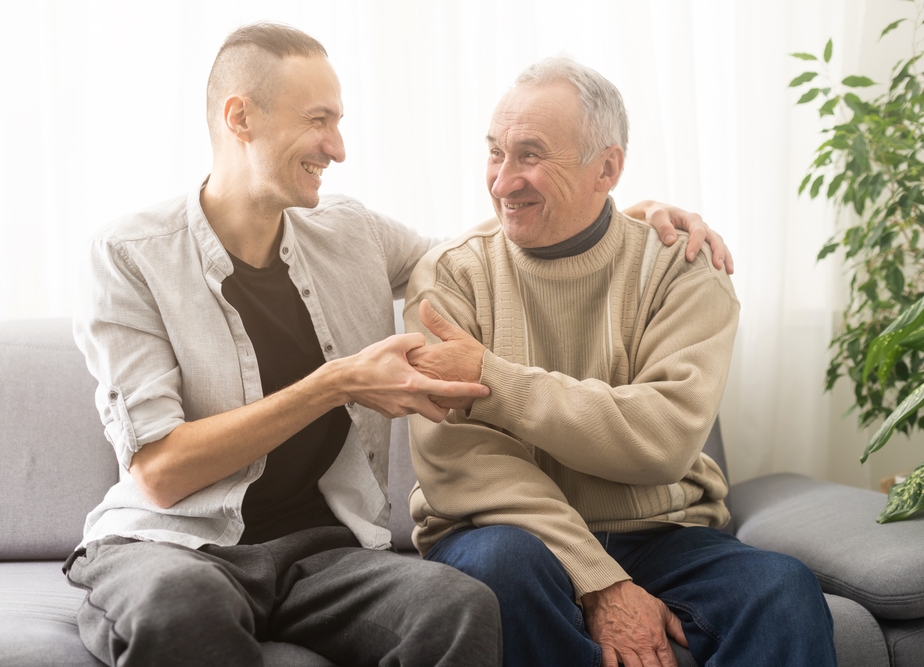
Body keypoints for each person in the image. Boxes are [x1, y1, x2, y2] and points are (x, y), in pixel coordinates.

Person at [67, 22, 731, 667]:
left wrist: (618, 217)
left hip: (323, 555)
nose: (338, 147)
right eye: (319, 120)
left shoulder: (350, 233)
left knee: (458, 607)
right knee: (180, 609)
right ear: (241, 118)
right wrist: (337, 382)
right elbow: (160, 470)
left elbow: (495, 250)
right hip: (174, 546)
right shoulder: (129, 255)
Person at [403, 56, 837, 667]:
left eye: (529, 155)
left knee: (782, 591)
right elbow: (460, 462)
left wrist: (492, 377)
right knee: (506, 566)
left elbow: (661, 440)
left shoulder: (684, 270)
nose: (502, 181)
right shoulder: (451, 276)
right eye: (495, 152)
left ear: (607, 167)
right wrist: (598, 577)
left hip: (660, 536)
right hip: (506, 538)